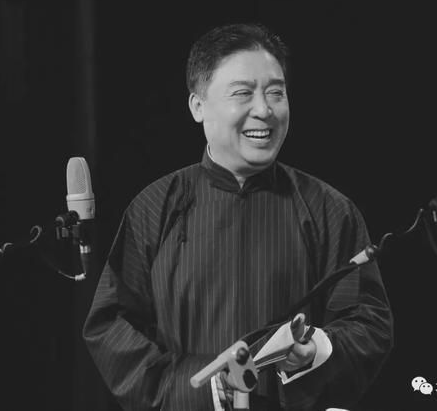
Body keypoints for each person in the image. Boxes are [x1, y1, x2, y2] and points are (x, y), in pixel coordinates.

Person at [83, 23, 394, 410]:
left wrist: (314, 350)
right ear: (198, 106)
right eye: (243, 93)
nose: (264, 110)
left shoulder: (330, 210)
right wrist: (204, 389)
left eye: (276, 93)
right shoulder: (154, 206)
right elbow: (111, 325)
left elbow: (368, 323)